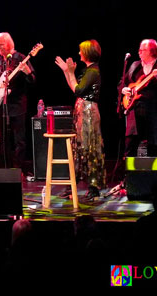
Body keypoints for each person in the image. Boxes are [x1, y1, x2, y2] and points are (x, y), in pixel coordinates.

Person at [55, 39, 105, 200]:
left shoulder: (93, 72)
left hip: (88, 112)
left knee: (89, 148)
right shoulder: (89, 70)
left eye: (80, 51)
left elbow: (78, 89)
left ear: (87, 53)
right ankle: (74, 185)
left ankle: (93, 187)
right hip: (83, 111)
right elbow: (76, 88)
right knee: (79, 149)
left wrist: (69, 72)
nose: (78, 53)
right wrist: (66, 71)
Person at [0, 32, 36, 174]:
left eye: (1, 45)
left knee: (19, 140)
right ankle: (5, 168)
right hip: (1, 106)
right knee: (3, 139)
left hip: (17, 105)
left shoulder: (20, 59)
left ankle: (18, 168)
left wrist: (26, 72)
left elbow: (33, 80)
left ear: (9, 44)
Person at [121, 39, 157, 157]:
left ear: (152, 51)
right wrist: (124, 89)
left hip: (153, 113)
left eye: (142, 50)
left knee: (153, 148)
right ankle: (130, 174)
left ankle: (153, 175)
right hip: (133, 112)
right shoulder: (135, 65)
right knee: (130, 147)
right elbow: (123, 82)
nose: (139, 52)